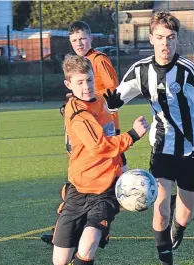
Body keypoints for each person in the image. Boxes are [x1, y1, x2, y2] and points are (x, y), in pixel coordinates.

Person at [103, 11, 194, 265]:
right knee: (159, 210)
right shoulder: (141, 69)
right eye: (159, 38)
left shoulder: (190, 71)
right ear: (151, 38)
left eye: (170, 38)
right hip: (162, 146)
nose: (165, 44)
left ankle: (178, 230)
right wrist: (101, 103)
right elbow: (115, 100)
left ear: (177, 39)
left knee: (184, 214)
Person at [53, 54, 149, 265]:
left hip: (105, 189)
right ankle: (65, 219)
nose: (86, 87)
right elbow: (100, 147)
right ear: (69, 85)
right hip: (78, 187)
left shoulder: (100, 102)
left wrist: (123, 168)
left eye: (90, 80)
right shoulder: (78, 114)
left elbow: (111, 128)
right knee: (60, 262)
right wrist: (133, 135)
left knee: (90, 240)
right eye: (80, 82)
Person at [41, 21, 126, 246]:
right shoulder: (77, 64)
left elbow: (113, 92)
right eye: (74, 40)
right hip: (83, 129)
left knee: (116, 181)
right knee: (79, 179)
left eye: (82, 39)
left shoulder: (99, 60)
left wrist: (87, 100)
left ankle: (98, 228)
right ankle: (66, 226)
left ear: (91, 39)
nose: (79, 43)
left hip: (104, 131)